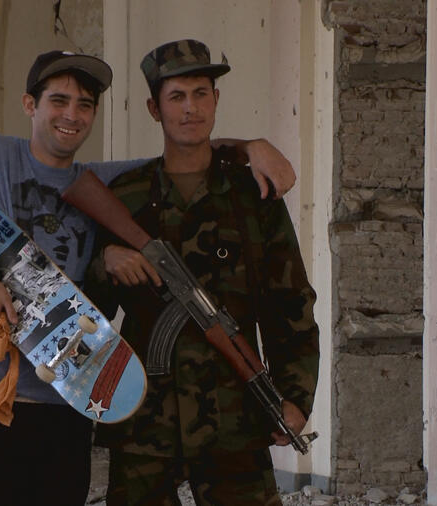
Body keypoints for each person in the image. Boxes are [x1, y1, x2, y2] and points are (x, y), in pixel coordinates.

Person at [0, 49, 297, 505]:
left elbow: (186, 149)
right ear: (29, 104)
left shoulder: (105, 184)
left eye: (85, 105)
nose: (71, 115)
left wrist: (251, 146)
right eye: (58, 101)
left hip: (68, 402)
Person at [84, 39, 321, 505]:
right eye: (177, 97)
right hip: (143, 415)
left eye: (201, 94)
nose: (190, 108)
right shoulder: (124, 195)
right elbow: (88, 310)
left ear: (216, 101)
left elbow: (289, 301)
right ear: (155, 109)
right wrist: (104, 263)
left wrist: (294, 397)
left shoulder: (253, 195)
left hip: (234, 413)